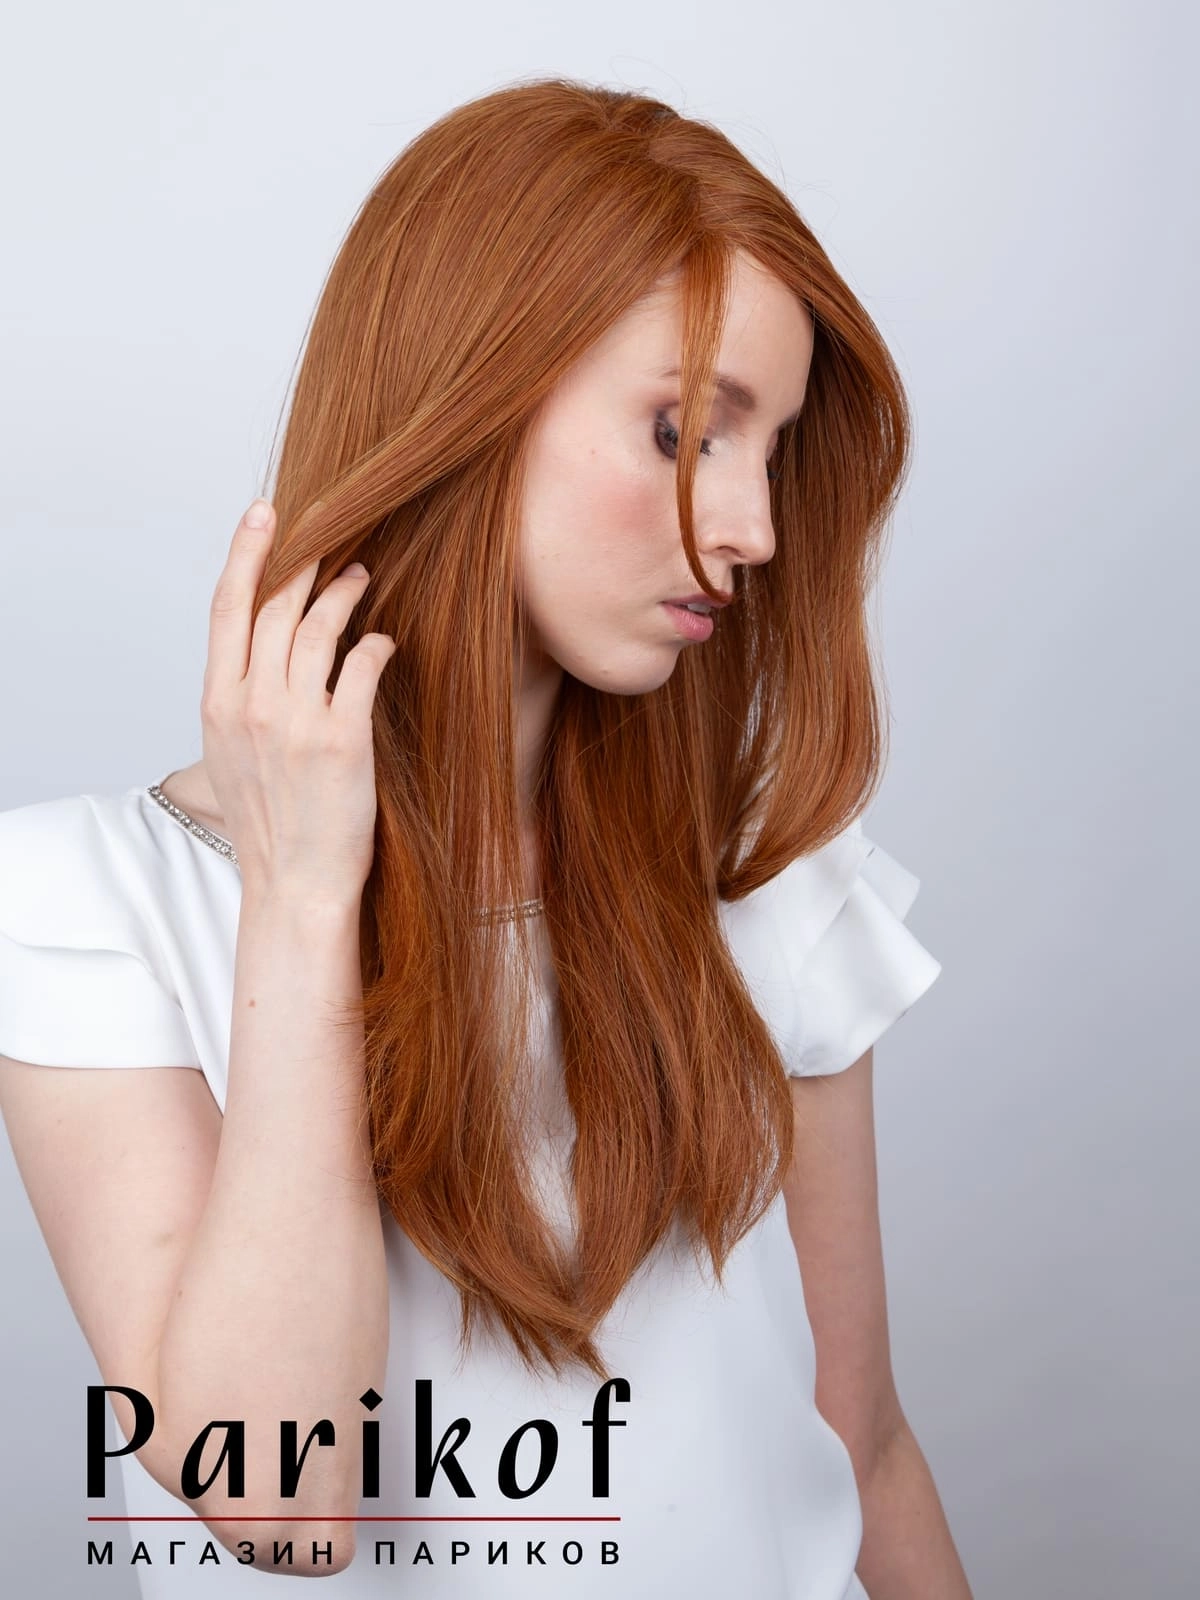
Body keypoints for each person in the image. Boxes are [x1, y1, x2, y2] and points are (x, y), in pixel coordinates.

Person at [0, 78, 971, 1597]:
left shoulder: (762, 878)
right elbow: (282, 1507)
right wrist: (304, 903)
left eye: (770, 452)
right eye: (684, 432)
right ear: (465, 402)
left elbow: (864, 1442)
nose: (755, 531)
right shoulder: (83, 905)